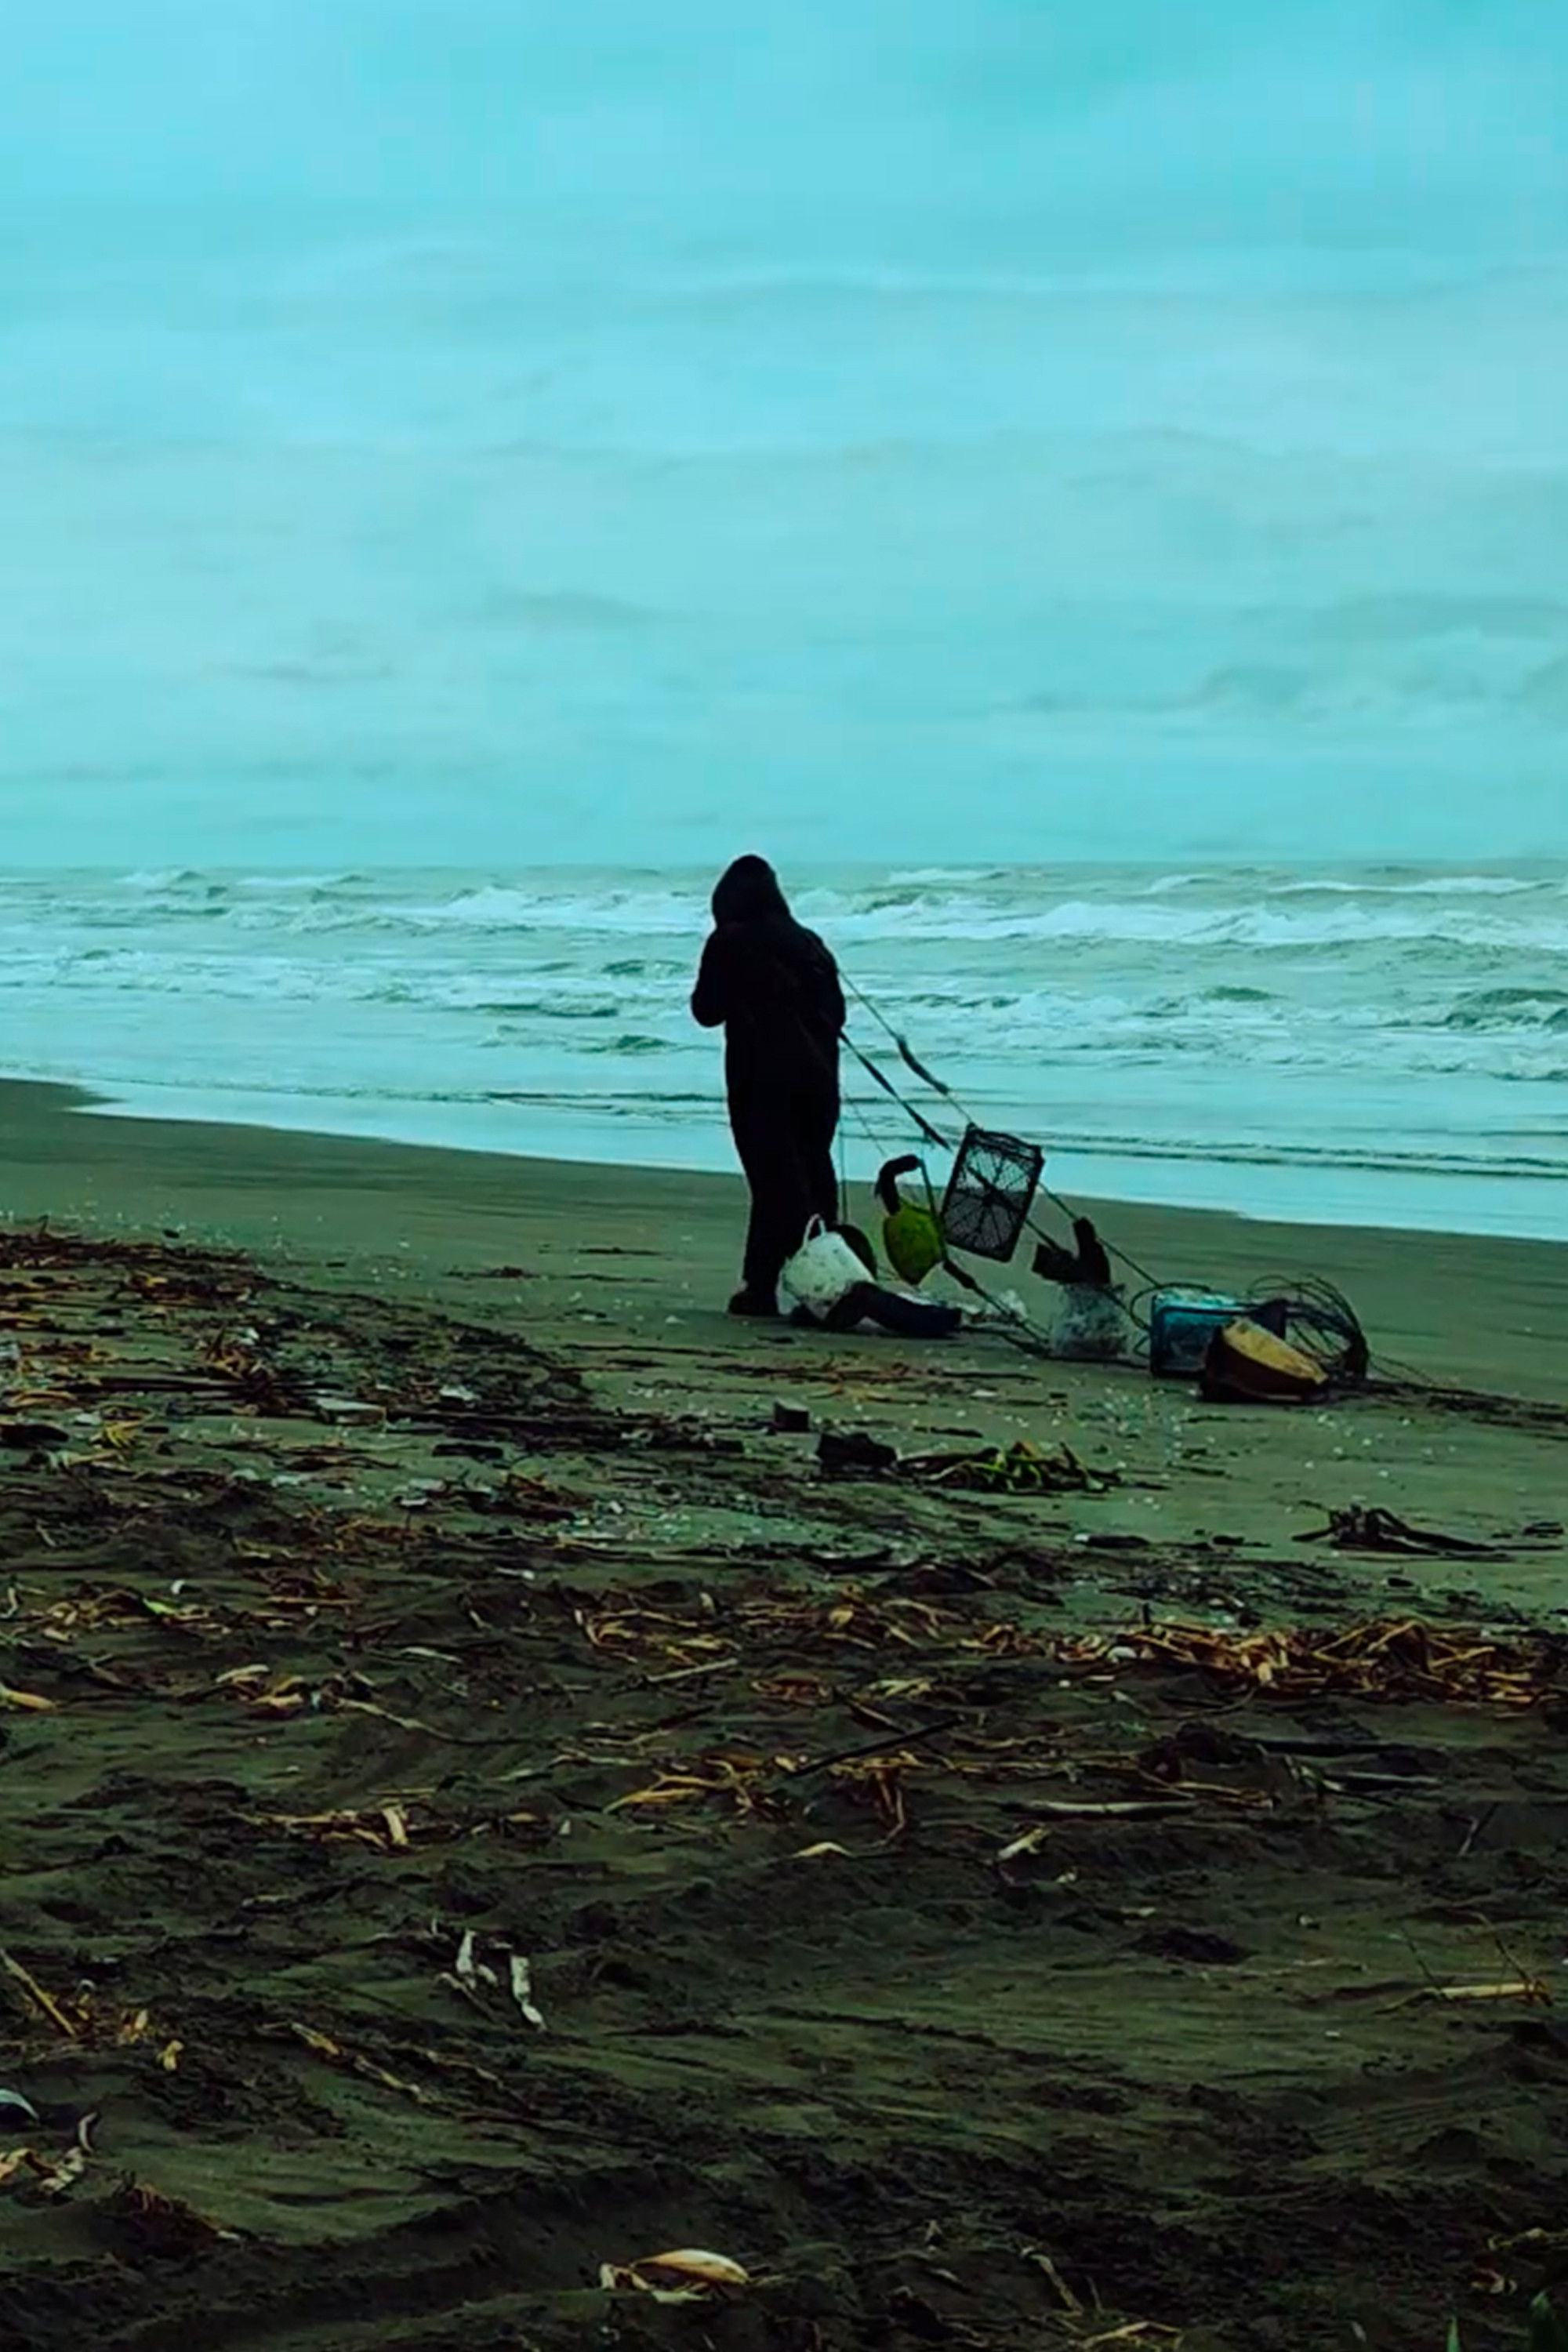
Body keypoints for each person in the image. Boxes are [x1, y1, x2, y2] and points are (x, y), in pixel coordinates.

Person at [691, 855, 844, 1316]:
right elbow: (837, 1015)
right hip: (820, 1080)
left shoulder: (730, 941)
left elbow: (706, 1011)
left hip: (761, 1080)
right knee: (812, 1174)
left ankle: (799, 1285)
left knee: (774, 1182)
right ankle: (799, 1281)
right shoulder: (810, 943)